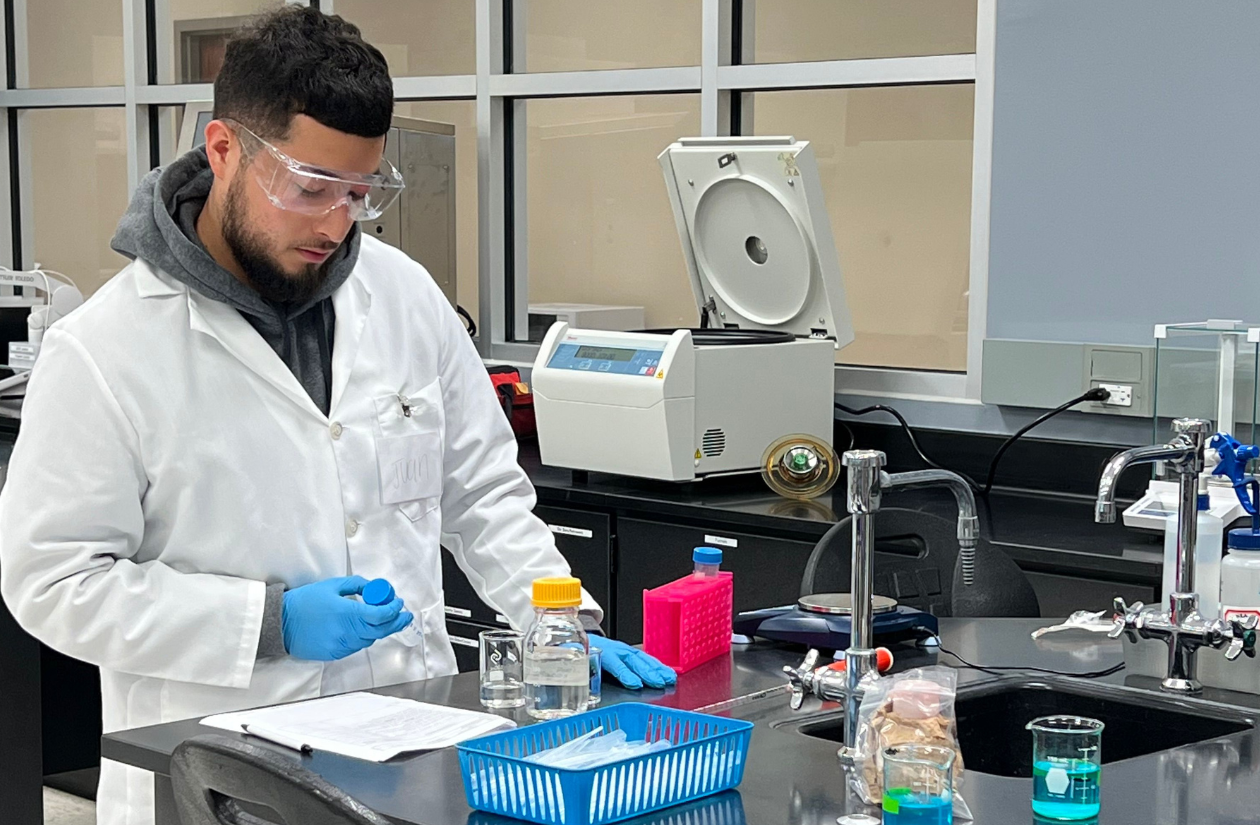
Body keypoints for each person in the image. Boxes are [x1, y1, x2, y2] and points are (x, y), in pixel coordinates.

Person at [0, 8, 674, 825]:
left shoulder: (403, 296)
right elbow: (54, 581)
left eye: (359, 192)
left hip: (412, 753)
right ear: (223, 150)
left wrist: (554, 617)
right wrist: (270, 622)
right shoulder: (106, 348)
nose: (336, 221)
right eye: (310, 188)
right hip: (218, 774)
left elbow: (483, 490)